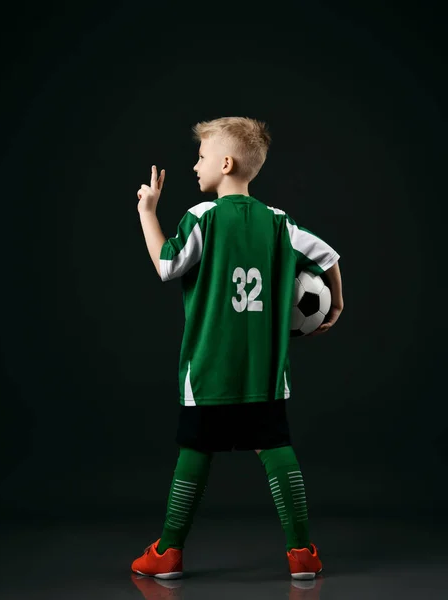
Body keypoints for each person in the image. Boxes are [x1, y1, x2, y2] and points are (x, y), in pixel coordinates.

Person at [132, 116, 344, 580]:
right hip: (263, 370)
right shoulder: (279, 222)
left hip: (209, 369)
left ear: (225, 164)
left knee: (195, 451)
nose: (195, 166)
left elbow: (167, 265)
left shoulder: (203, 218)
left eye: (202, 157)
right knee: (277, 448)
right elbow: (328, 256)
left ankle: (168, 552)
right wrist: (337, 303)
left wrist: (149, 211)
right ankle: (302, 553)